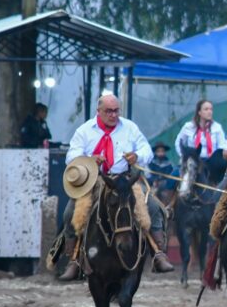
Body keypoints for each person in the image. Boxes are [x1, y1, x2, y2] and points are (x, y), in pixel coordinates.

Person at [59, 95, 174, 280]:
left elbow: (147, 150)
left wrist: (137, 156)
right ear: (99, 111)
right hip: (94, 181)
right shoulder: (85, 130)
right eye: (109, 111)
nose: (113, 115)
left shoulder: (130, 127)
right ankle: (73, 260)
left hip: (125, 181)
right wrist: (89, 160)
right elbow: (71, 156)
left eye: (116, 111)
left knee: (152, 206)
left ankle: (158, 253)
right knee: (70, 212)